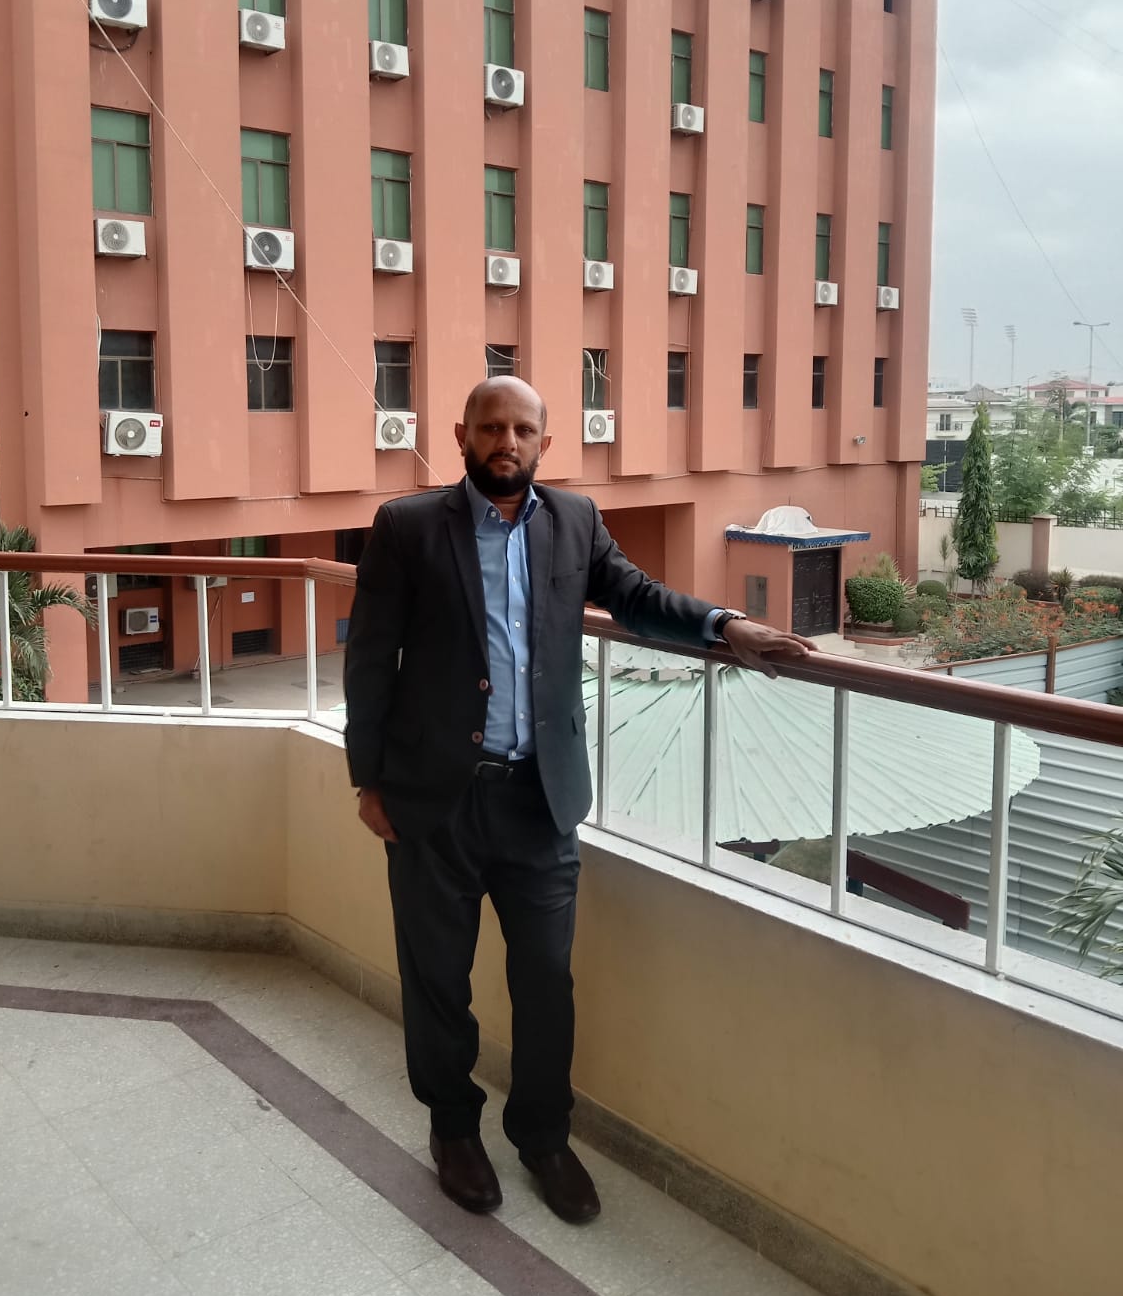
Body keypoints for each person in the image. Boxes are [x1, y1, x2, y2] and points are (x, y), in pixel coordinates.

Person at [343, 377, 815, 1223]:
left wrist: (725, 626)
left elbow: (636, 598)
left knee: (546, 985)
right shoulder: (407, 526)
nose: (506, 442)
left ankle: (543, 1138)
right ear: (461, 436)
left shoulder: (574, 521)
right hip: (435, 802)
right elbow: (371, 656)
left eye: (522, 429)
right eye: (491, 427)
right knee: (437, 981)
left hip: (541, 799)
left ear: (544, 443)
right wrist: (367, 781)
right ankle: (454, 1130)